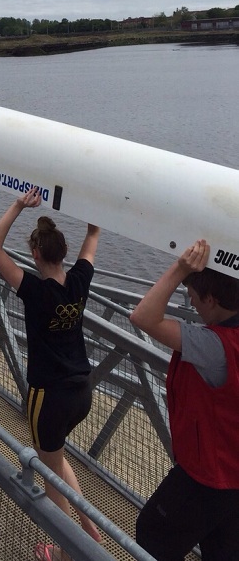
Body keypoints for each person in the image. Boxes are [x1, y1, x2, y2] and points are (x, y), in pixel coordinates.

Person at [0, 188, 101, 559]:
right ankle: (89, 529)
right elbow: (94, 237)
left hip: (48, 396)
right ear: (63, 253)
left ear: (35, 254)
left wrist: (18, 205)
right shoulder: (80, 281)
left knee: (50, 476)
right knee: (56, 457)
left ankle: (66, 552)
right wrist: (94, 213)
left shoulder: (33, 289)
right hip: (81, 391)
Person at [130, 240, 239, 561]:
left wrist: (181, 269)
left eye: (194, 296)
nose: (191, 302)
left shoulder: (215, 346)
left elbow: (144, 317)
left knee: (151, 535)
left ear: (211, 299)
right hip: (234, 480)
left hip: (206, 478)